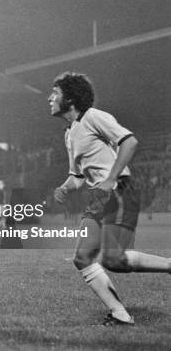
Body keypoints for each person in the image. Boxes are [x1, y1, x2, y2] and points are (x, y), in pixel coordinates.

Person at [48, 72, 170, 326]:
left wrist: (110, 179)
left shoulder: (93, 116)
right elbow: (78, 177)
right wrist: (64, 187)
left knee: (114, 260)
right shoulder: (69, 134)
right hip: (99, 197)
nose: (50, 98)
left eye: (55, 93)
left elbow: (129, 142)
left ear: (70, 99)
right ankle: (119, 314)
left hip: (120, 190)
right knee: (83, 258)